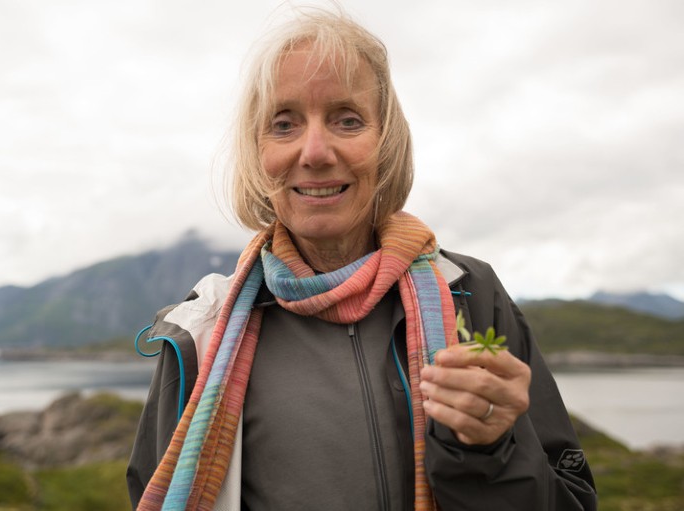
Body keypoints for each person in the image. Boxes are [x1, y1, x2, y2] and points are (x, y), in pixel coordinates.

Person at [127, 8, 597, 511]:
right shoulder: (201, 330)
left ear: (386, 143)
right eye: (283, 124)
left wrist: (492, 450)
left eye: (347, 120)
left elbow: (570, 500)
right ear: (257, 153)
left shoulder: (472, 294)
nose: (315, 151)